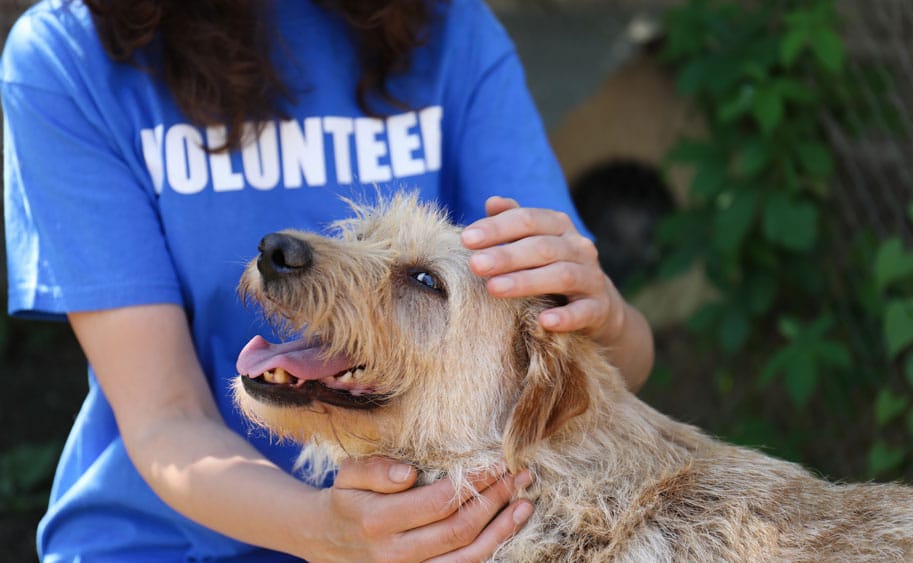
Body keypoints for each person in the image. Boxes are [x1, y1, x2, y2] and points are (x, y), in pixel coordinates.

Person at [1, 0, 654, 560]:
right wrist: (325, 533)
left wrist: (610, 319)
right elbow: (166, 414)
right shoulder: (67, 56)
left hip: (440, 537)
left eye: (419, 279)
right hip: (168, 540)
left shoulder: (449, 26)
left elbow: (597, 363)